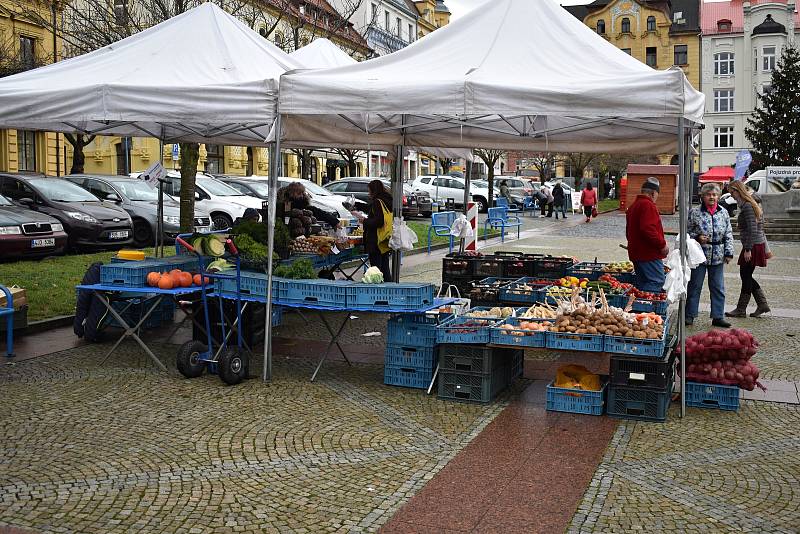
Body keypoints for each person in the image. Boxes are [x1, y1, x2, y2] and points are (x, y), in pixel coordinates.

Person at [687, 182, 735, 328]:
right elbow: (686, 233)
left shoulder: (723, 212)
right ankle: (689, 315)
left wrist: (729, 252)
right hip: (699, 254)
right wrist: (697, 237)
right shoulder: (694, 212)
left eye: (714, 194)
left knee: (718, 287)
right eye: (708, 194)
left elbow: (728, 233)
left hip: (718, 254)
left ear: (719, 196)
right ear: (703, 196)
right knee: (695, 286)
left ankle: (718, 316)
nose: (712, 197)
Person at [725, 181, 771, 318]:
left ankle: (741, 309)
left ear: (738, 191)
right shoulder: (747, 204)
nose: (732, 196)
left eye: (732, 192)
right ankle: (761, 305)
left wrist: (748, 249)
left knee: (745, 275)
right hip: (753, 244)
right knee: (746, 275)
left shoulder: (748, 206)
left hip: (753, 245)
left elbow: (752, 228)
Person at [625, 177, 668, 293]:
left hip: (637, 253)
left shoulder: (634, 206)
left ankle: (639, 307)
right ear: (653, 193)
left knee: (643, 282)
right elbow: (648, 229)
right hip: (648, 254)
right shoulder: (648, 205)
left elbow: (628, 231)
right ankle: (646, 309)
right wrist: (662, 245)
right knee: (656, 281)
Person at [355, 180, 393, 282]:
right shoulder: (386, 200)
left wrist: (364, 221)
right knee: (385, 268)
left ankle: (380, 291)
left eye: (369, 190)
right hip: (384, 239)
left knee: (376, 270)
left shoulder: (377, 202)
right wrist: (357, 205)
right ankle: (389, 289)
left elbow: (378, 221)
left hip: (376, 240)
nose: (368, 193)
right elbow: (371, 209)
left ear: (373, 190)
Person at [276, 181, 340, 228]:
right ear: (291, 193)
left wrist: (334, 221)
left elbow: (319, 212)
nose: (301, 196)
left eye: (302, 193)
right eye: (298, 193)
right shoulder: (286, 205)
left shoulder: (303, 205)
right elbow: (285, 220)